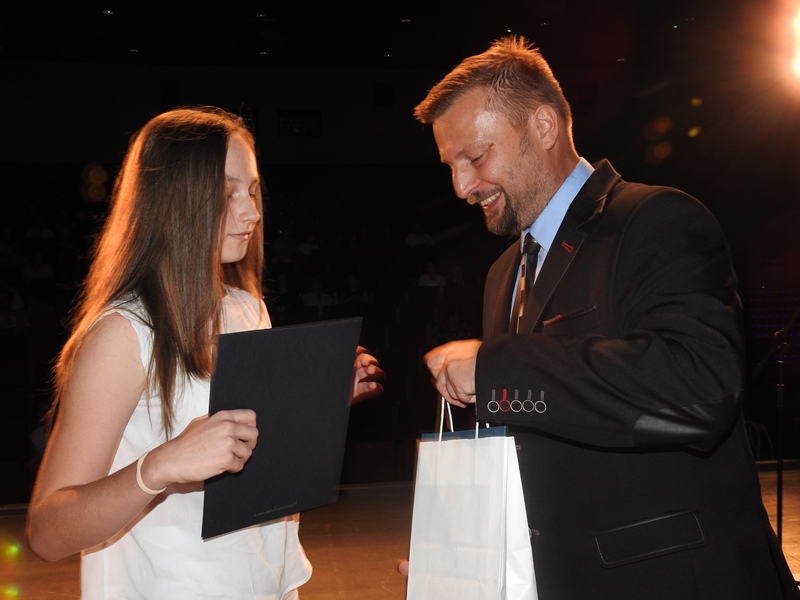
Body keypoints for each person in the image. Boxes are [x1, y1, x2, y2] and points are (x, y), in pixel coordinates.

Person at [415, 36, 799, 599]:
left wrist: (495, 369)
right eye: (451, 167)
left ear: (543, 127)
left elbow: (698, 390)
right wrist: (468, 559)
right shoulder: (502, 274)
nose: (462, 186)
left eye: (475, 157)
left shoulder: (655, 219)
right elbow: (542, 437)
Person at [25, 106, 384, 599]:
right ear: (175, 200)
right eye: (228, 192)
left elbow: (246, 450)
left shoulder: (246, 307)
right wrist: (159, 468)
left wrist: (311, 405)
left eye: (252, 191)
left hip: (265, 582)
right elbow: (46, 532)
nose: (252, 212)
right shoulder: (124, 332)